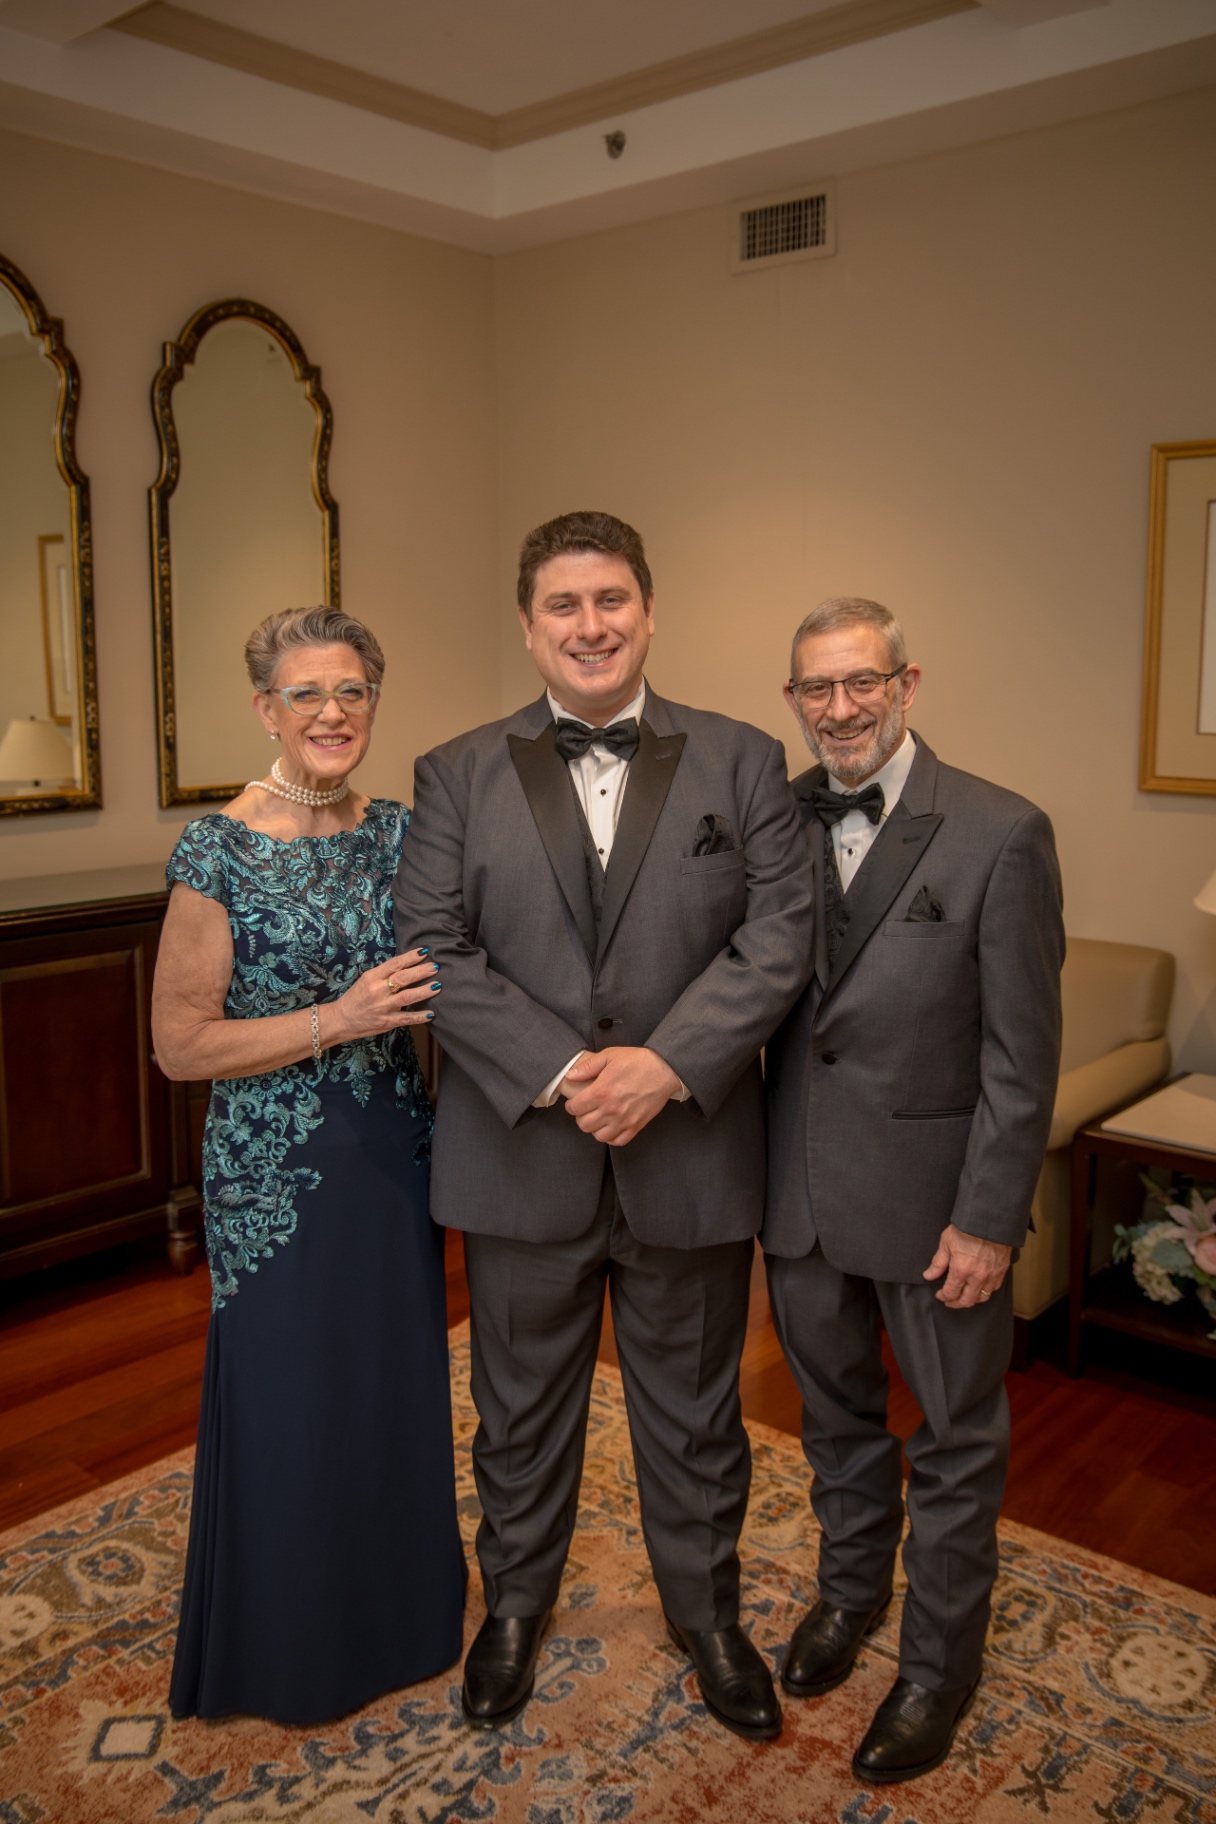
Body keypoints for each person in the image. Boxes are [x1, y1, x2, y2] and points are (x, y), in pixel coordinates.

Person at [393, 511, 814, 1742]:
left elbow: (780, 935)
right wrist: (573, 1069)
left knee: (693, 1412)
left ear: (647, 609)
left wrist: (667, 1067)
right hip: (521, 1154)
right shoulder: (453, 771)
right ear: (529, 626)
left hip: (686, 1150)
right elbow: (434, 948)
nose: (590, 624)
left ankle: (708, 1618)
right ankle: (513, 1611)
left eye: (612, 599)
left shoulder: (741, 762)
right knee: (519, 1412)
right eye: (564, 605)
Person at [764, 596, 1064, 1782]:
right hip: (795, 1197)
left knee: (952, 1442)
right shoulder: (769, 820)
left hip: (938, 1210)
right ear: (791, 698)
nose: (837, 708)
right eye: (813, 689)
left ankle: (939, 1665)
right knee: (833, 1425)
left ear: (906, 682)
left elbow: (1019, 1053)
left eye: (860, 683)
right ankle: (849, 1601)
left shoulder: (1000, 831)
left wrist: (990, 1216)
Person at [153, 605, 465, 1725]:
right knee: (291, 1396)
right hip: (271, 1174)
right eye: (306, 695)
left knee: (387, 1386)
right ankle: (290, 1648)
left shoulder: (403, 831)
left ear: (374, 701)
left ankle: (405, 1618)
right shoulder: (218, 849)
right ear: (265, 709)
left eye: (352, 692)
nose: (332, 713)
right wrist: (338, 1016)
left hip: (392, 1152)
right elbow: (180, 1044)